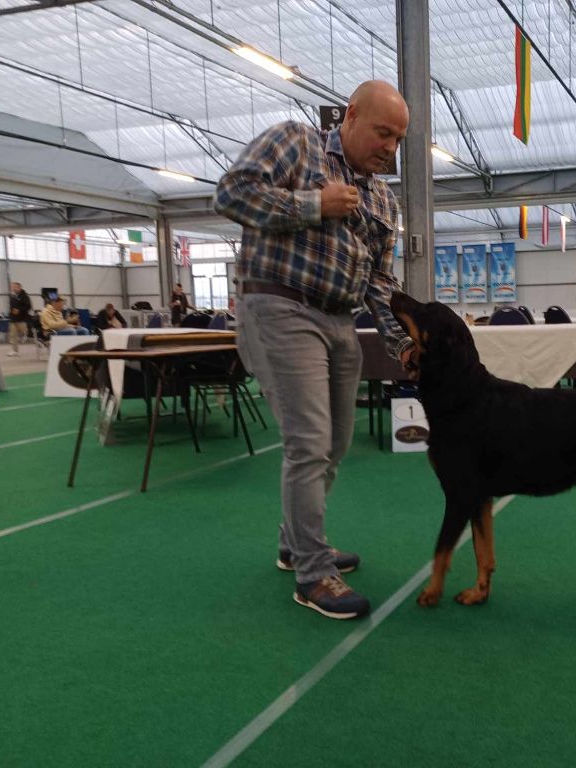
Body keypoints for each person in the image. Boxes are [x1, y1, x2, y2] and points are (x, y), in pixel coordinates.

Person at [214, 80, 413, 621]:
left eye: (398, 139)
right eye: (383, 132)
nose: (390, 148)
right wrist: (312, 205)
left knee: (336, 444)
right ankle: (312, 574)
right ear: (349, 116)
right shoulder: (294, 142)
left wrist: (403, 343)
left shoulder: (382, 198)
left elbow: (379, 282)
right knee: (309, 440)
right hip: (279, 307)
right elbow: (230, 194)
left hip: (339, 319)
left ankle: (294, 542)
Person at [7, 281, 32, 356]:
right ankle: (15, 350)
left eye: (15, 287)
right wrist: (12, 311)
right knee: (13, 335)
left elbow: (28, 306)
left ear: (20, 287)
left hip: (22, 319)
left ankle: (40, 342)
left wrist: (19, 310)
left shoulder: (24, 296)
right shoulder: (12, 297)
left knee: (27, 333)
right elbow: (11, 307)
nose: (13, 288)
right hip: (13, 319)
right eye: (12, 287)